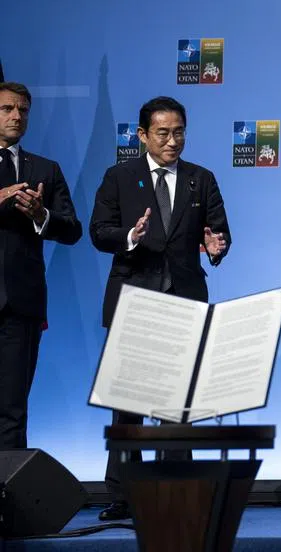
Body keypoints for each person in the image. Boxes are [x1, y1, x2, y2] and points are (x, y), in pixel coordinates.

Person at [89, 96, 232, 521]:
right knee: (128, 399)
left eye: (179, 132)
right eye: (164, 133)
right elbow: (99, 231)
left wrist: (215, 247)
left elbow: (219, 231)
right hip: (134, 296)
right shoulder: (119, 177)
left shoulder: (200, 179)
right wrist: (130, 237)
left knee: (178, 402)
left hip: (184, 297)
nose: (173, 141)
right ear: (142, 135)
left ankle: (175, 489)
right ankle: (123, 493)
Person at [0, 82, 82, 449]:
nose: (16, 116)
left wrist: (40, 214)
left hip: (20, 305)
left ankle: (8, 500)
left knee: (12, 410)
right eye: (7, 109)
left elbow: (73, 230)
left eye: (23, 110)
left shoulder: (45, 170)